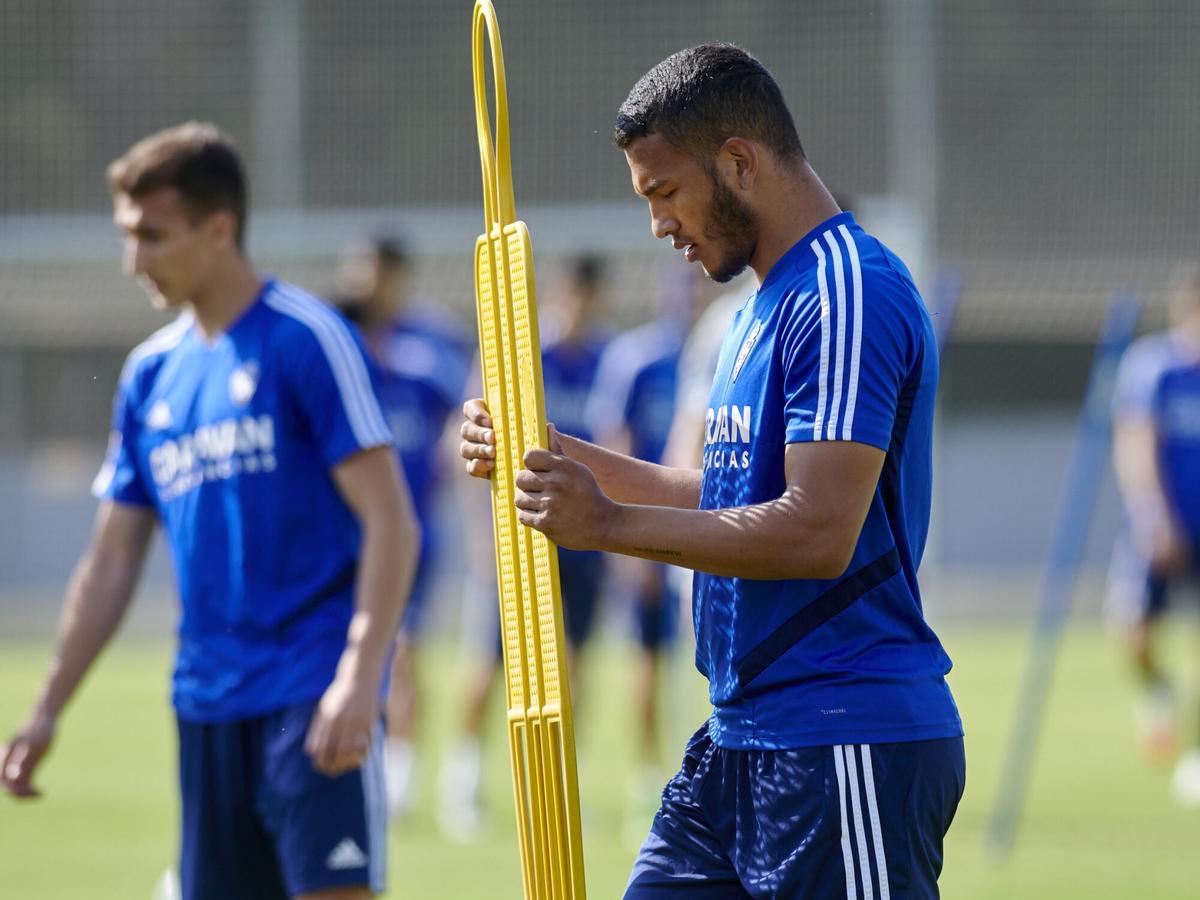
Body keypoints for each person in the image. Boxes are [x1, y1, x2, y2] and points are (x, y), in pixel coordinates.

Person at [459, 45, 964, 898]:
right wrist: (555, 452)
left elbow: (815, 530)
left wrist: (608, 526)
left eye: (664, 192)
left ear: (739, 161)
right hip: (739, 744)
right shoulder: (752, 310)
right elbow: (728, 502)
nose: (658, 225)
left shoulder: (845, 293)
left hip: (842, 740)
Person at [0, 122, 419, 900]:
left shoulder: (306, 340)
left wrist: (360, 677)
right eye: (128, 238)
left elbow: (391, 519)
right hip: (206, 703)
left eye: (152, 237)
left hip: (310, 687)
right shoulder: (149, 375)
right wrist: (46, 709)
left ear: (218, 228)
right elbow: (111, 560)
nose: (134, 261)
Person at [437, 254, 611, 839]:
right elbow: (467, 448)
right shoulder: (516, 358)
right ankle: (462, 777)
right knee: (488, 658)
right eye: (573, 297)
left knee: (574, 659)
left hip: (579, 534)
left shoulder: (601, 362)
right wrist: (482, 537)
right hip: (518, 532)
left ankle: (562, 778)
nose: (580, 309)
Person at [333, 235, 472, 819]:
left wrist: (451, 461)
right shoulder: (338, 341)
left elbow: (468, 408)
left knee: (404, 650)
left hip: (409, 530)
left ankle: (400, 779)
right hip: (343, 535)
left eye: (376, 271)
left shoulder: (428, 348)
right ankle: (355, 767)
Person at [584, 258, 718, 840]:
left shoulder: (731, 342)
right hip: (648, 528)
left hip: (711, 531)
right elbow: (617, 437)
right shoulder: (639, 358)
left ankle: (706, 772)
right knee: (647, 656)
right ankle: (646, 774)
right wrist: (625, 544)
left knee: (705, 657)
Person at [1107, 264, 1200, 805]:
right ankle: (1160, 694)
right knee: (1134, 632)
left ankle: (1193, 750)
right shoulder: (1154, 366)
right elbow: (1136, 444)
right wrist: (1153, 517)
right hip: (1164, 525)